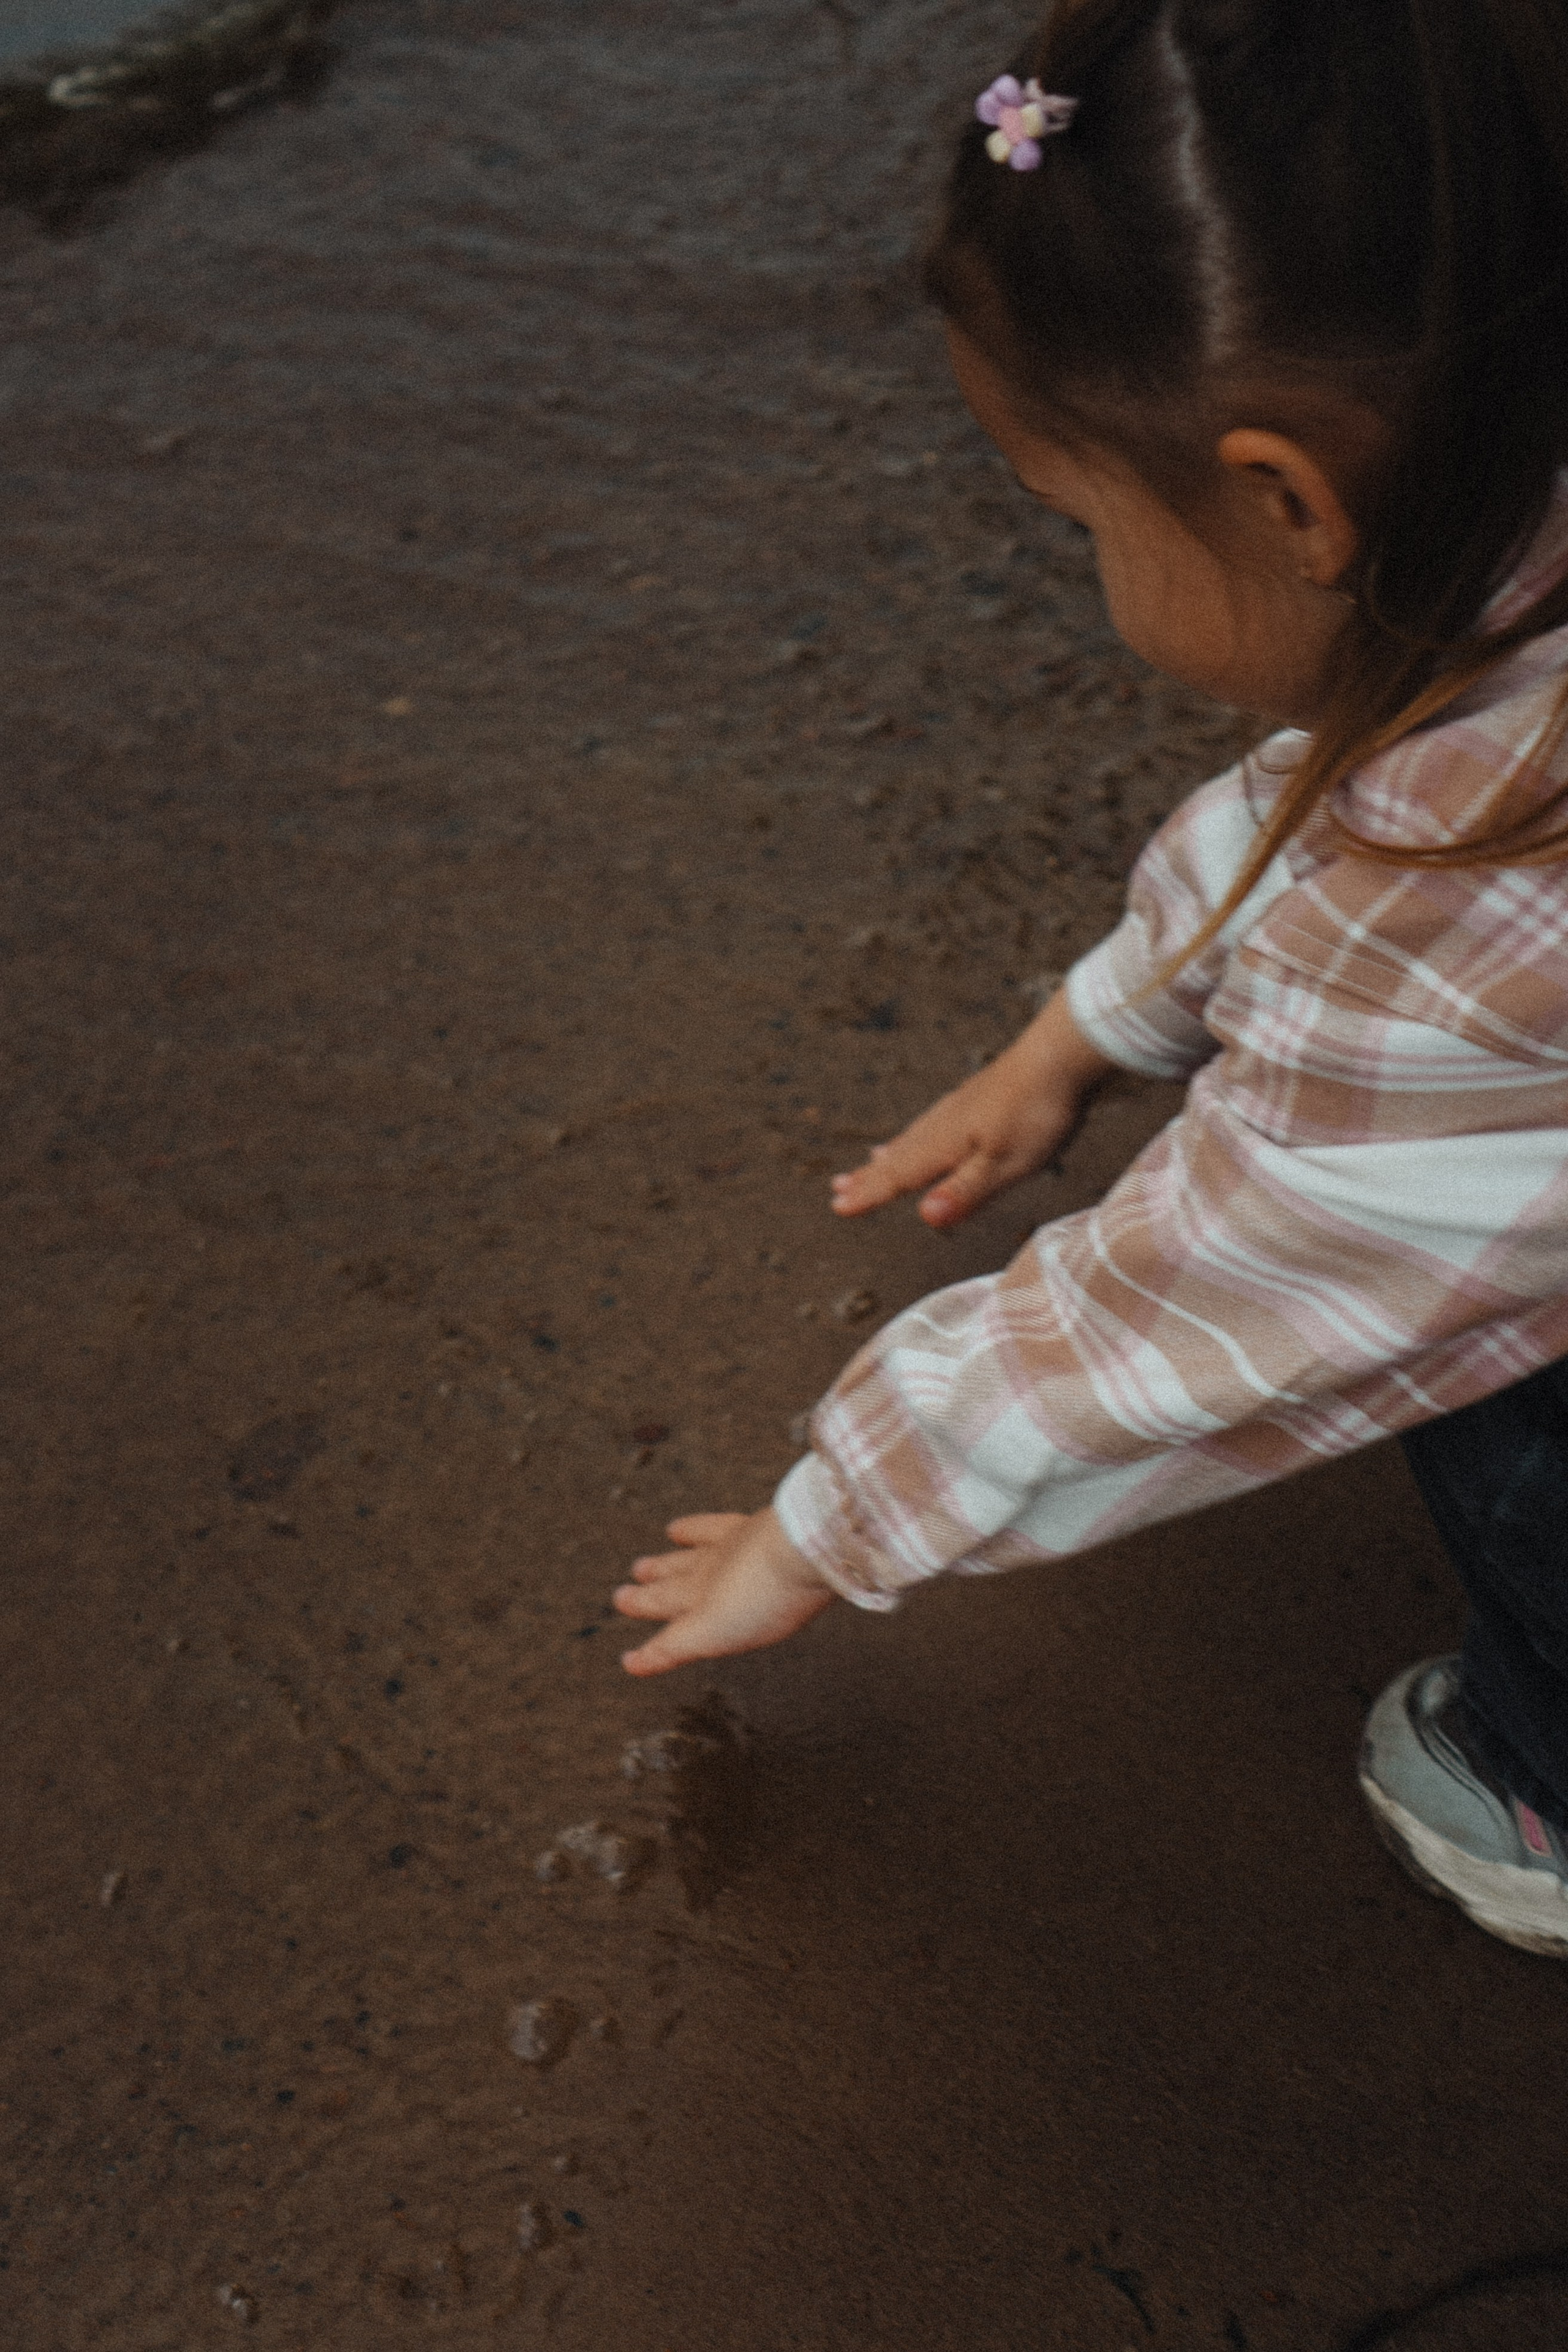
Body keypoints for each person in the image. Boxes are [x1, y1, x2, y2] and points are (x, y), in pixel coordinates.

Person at [613, 0, 1568, 1958]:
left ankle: (1540, 1797)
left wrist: (837, 1516)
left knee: (1494, 1405)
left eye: (1082, 524)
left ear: (1290, 500)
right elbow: (1351, 806)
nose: (1087, 569)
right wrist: (1094, 1024)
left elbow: (1229, 1279)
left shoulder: (1464, 948)